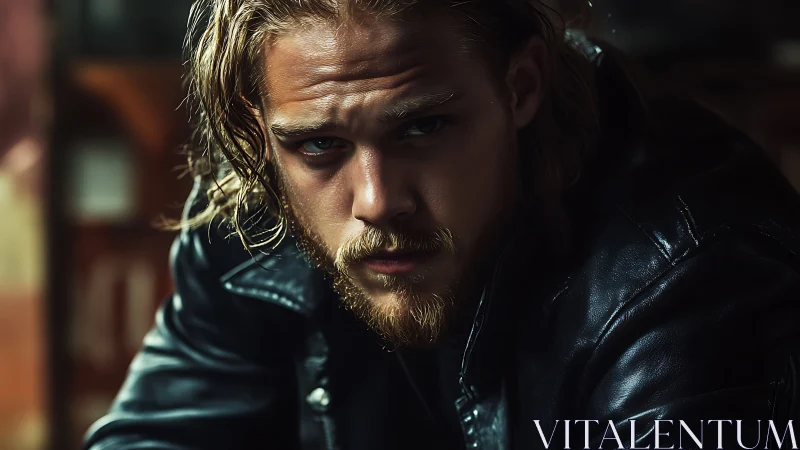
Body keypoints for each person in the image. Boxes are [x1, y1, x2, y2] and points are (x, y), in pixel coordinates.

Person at [84, 0, 800, 449]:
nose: (376, 200)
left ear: (522, 87)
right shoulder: (258, 203)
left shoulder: (691, 280)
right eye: (319, 146)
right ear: (258, 129)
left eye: (423, 126)